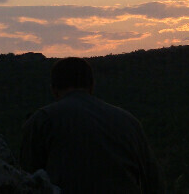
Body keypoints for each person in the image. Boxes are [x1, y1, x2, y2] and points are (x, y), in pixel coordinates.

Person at [21, 57, 164, 194]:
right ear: (92, 85)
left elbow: (28, 179)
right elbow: (153, 182)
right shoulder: (129, 121)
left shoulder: (43, 119)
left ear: (53, 89)